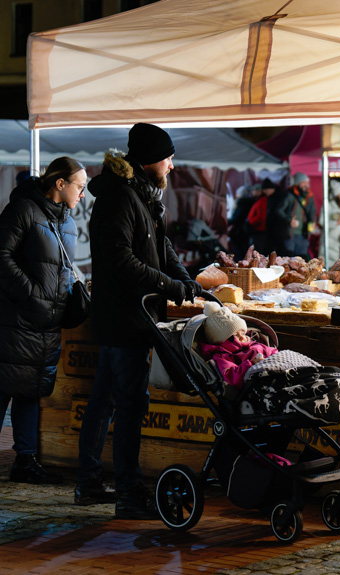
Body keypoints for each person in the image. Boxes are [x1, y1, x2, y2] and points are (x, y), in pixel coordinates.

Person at [76, 123, 203, 518]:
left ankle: (89, 481)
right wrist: (168, 285)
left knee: (108, 398)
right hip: (125, 318)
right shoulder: (120, 199)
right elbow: (122, 260)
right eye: (167, 158)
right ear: (150, 160)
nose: (171, 165)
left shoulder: (141, 196)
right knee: (130, 404)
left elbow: (159, 246)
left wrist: (184, 279)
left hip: (129, 317)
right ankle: (129, 495)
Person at [0, 157, 86, 484]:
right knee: (3, 389)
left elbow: (61, 270)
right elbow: (1, 256)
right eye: (79, 185)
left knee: (29, 390)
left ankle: (25, 461)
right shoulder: (22, 210)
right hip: (16, 321)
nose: (82, 193)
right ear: (60, 183)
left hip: (46, 325)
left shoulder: (67, 223)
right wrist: (30, 294)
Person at [199, 302, 278, 390]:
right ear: (220, 341)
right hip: (258, 384)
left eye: (243, 333)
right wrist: (251, 364)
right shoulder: (223, 357)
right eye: (236, 335)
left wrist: (276, 357)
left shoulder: (255, 344)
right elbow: (232, 377)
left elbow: (272, 351)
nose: (242, 337)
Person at [268, 172, 317, 258]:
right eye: (303, 182)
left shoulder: (309, 196)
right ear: (297, 183)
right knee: (289, 257)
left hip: (303, 233)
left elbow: (312, 211)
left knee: (301, 258)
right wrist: (289, 220)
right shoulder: (289, 195)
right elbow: (278, 210)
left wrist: (313, 221)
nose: (306, 185)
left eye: (307, 183)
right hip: (290, 233)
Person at [227, 184, 261, 255]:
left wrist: (228, 221)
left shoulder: (242, 203)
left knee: (239, 251)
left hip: (239, 231)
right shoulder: (252, 202)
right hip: (248, 231)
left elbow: (237, 218)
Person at [319, 180, 340, 266]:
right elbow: (321, 221)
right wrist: (335, 223)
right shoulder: (328, 205)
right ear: (338, 193)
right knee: (329, 266)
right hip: (329, 242)